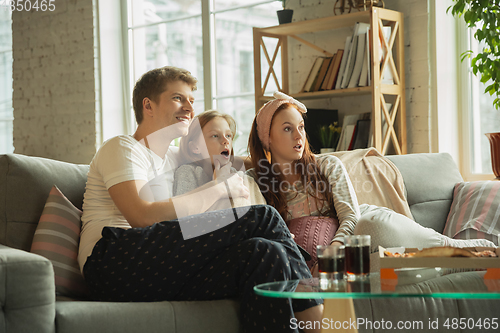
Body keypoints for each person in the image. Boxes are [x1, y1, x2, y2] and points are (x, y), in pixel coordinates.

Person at [78, 67, 323, 333]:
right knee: (262, 216)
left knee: (266, 253)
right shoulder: (123, 147)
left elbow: (251, 160)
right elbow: (142, 217)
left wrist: (314, 160)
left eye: (191, 101)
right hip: (112, 262)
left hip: (160, 266)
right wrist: (218, 189)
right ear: (148, 105)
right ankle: (320, 322)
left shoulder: (176, 157)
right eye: (178, 98)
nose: (188, 108)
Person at [247, 91, 496, 272]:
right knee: (383, 265)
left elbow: (351, 217)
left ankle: (476, 248)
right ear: (267, 138)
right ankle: (457, 262)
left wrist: (334, 248)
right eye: (287, 129)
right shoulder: (257, 183)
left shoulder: (326, 165)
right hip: (341, 262)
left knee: (370, 228)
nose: (299, 135)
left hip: (360, 230)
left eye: (301, 127)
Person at [173, 110, 266, 210]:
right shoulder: (188, 172)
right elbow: (184, 214)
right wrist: (218, 185)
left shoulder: (237, 175)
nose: (225, 141)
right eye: (215, 136)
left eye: (228, 136)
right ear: (195, 147)